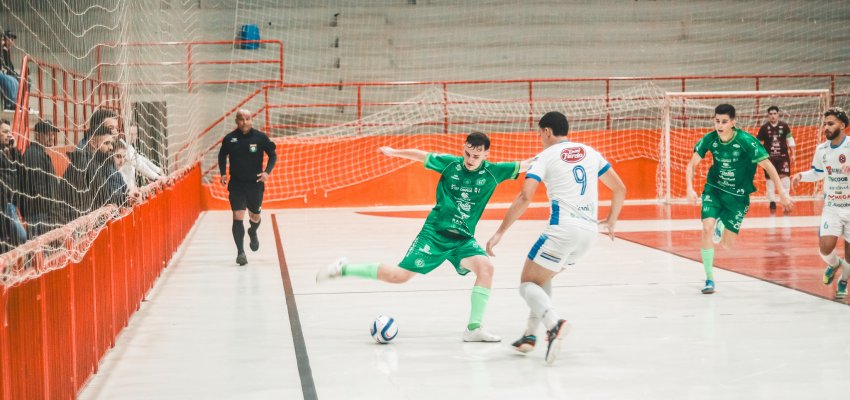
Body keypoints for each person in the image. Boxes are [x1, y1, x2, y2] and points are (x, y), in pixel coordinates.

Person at [316, 132, 531, 342]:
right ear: (463, 149)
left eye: (476, 156)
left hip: (463, 240)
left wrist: (559, 154)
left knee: (486, 268)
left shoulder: (494, 172)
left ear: (486, 155)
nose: (470, 160)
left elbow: (528, 164)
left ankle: (473, 329)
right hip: (435, 234)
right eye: (467, 154)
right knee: (398, 276)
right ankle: (342, 269)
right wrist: (394, 152)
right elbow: (421, 155)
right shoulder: (450, 165)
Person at [485, 111, 626, 364]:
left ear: (547, 132)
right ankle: (529, 336)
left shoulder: (544, 156)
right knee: (543, 277)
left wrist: (500, 232)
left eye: (540, 133)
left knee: (527, 284)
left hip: (563, 229)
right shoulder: (590, 152)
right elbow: (619, 188)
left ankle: (554, 324)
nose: (540, 138)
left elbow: (525, 196)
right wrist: (611, 221)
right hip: (589, 233)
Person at [686, 104, 793, 294]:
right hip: (715, 189)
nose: (720, 125)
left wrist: (782, 193)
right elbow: (692, 163)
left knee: (727, 245)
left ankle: (721, 225)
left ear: (733, 122)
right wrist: (689, 187)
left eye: (724, 122)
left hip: (738, 196)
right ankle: (709, 278)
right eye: (717, 121)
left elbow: (768, 166)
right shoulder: (710, 139)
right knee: (706, 228)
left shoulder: (745, 141)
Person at [791, 107, 850, 299]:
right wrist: (801, 175)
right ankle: (834, 264)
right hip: (832, 206)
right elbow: (818, 172)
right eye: (825, 123)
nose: (826, 127)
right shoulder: (821, 149)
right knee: (825, 248)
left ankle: (843, 282)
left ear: (842, 125)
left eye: (831, 123)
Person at [217, 109, 276, 266]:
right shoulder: (230, 139)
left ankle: (253, 231)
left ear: (252, 120)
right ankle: (240, 253)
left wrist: (267, 172)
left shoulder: (260, 137)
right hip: (236, 185)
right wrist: (223, 173)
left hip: (255, 185)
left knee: (255, 216)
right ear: (236, 121)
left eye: (247, 119)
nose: (244, 122)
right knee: (237, 216)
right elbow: (222, 155)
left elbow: (273, 155)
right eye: (241, 119)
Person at [20, 119, 65, 237]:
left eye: (52, 134)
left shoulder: (39, 153)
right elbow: (39, 190)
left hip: (41, 214)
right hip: (39, 215)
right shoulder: (34, 155)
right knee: (40, 252)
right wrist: (52, 215)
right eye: (47, 134)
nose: (51, 137)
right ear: (38, 135)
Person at [757, 106, 795, 211]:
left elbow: (790, 140)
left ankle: (786, 200)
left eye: (775, 113)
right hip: (769, 158)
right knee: (770, 179)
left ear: (778, 114)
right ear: (768, 115)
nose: (773, 116)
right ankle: (772, 201)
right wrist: (759, 157)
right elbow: (759, 144)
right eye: (771, 114)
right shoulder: (764, 128)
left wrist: (793, 154)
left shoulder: (784, 126)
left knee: (785, 178)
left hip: (783, 157)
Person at [0, 119, 26, 253]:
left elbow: (22, 170)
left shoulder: (8, 151)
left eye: (10, 132)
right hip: (5, 205)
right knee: (22, 237)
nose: (9, 135)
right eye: (5, 132)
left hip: (11, 203)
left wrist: (15, 149)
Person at [117, 124, 166, 190]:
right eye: (130, 134)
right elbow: (139, 164)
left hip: (130, 186)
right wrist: (156, 177)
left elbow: (142, 159)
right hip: (123, 187)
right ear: (124, 133)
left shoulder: (130, 146)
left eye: (135, 134)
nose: (132, 137)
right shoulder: (122, 146)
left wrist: (159, 170)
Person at [0, 31, 21, 111]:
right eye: (8, 39)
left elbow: (9, 65)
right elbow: (5, 65)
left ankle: (19, 103)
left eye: (12, 39)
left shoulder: (5, 50)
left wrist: (14, 73)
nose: (11, 41)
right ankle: (10, 104)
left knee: (22, 80)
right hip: (3, 73)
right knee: (10, 79)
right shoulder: (3, 50)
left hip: (4, 72)